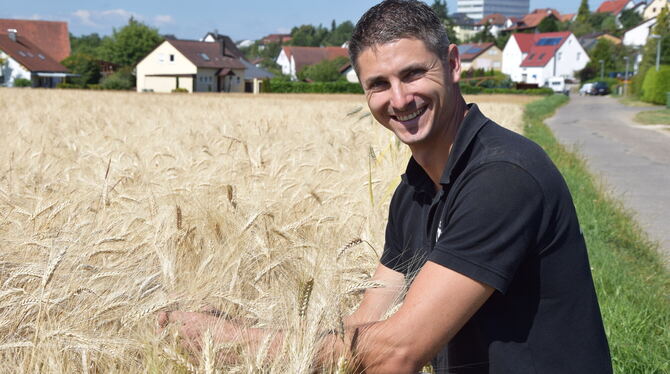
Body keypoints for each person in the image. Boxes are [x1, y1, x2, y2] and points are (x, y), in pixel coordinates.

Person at [158, 1, 613, 372]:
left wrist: (239, 342)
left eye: (413, 73)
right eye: (378, 84)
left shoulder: (503, 177)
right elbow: (367, 320)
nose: (399, 99)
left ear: (453, 64)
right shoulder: (414, 191)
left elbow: (397, 352)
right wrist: (244, 330)